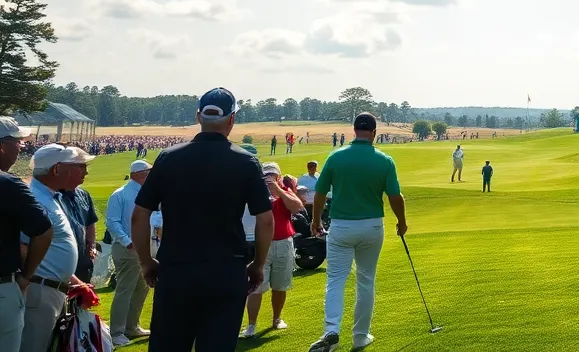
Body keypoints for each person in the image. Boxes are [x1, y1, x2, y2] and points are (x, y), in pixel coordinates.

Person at [131, 87, 274, 352]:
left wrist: (146, 261)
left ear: (199, 116)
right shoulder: (246, 161)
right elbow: (265, 220)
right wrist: (258, 264)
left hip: (177, 270)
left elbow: (140, 215)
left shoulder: (168, 158)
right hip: (225, 270)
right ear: (232, 120)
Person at [309, 113, 406, 352]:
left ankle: (331, 330)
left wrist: (314, 220)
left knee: (335, 280)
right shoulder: (384, 160)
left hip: (341, 226)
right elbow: (395, 196)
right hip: (372, 226)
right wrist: (402, 222)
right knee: (366, 280)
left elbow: (320, 193)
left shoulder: (336, 157)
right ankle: (360, 337)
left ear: (354, 131)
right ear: (374, 132)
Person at [19, 144, 88, 352]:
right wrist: (26, 281)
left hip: (49, 287)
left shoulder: (50, 197)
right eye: (78, 166)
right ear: (57, 170)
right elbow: (22, 245)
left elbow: (54, 246)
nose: (85, 171)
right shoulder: (36, 201)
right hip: (39, 289)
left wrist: (74, 281)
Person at [1, 118, 52, 352]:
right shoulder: (8, 184)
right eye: (17, 142)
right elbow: (43, 230)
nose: (21, 147)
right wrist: (27, 276)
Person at [244, 163, 304, 336]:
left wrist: (279, 190)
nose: (269, 179)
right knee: (256, 287)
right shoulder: (255, 192)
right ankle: (251, 325)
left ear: (278, 176)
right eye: (266, 176)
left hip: (284, 243)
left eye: (273, 176)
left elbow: (297, 207)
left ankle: (276, 319)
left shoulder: (284, 190)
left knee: (280, 285)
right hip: (261, 244)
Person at [107, 158, 153, 345]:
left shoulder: (148, 193)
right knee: (125, 289)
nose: (151, 175)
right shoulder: (120, 194)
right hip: (128, 248)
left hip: (146, 248)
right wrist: (128, 242)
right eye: (148, 171)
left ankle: (131, 327)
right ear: (139, 174)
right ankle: (117, 332)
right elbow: (112, 222)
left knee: (142, 288)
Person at [56, 146, 100, 286]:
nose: (86, 173)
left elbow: (90, 223)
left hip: (82, 263)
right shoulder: (52, 197)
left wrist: (91, 245)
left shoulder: (84, 195)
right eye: (81, 167)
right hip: (60, 266)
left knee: (81, 305)